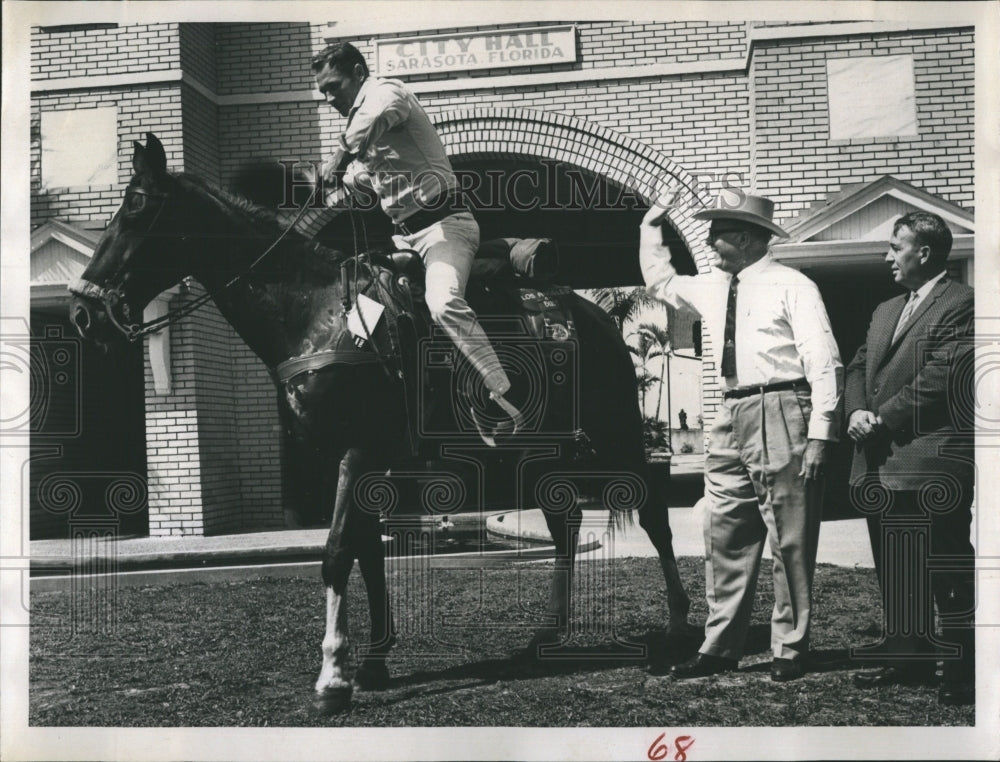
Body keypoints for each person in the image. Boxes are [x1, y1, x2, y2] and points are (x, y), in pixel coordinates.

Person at [640, 191, 843, 681]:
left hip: (782, 405)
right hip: (730, 410)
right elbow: (662, 281)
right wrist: (650, 227)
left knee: (788, 537)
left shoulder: (793, 285)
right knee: (725, 529)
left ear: (749, 238)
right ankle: (719, 646)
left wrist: (820, 434)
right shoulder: (712, 285)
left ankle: (790, 648)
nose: (709, 239)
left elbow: (824, 361)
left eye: (721, 231)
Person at [310, 42, 522, 442]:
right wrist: (336, 185)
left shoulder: (387, 93)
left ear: (358, 72)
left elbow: (375, 118)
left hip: (447, 229)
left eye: (333, 86)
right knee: (359, 311)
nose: (328, 97)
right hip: (404, 239)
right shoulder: (364, 131)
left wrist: (338, 157)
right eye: (322, 91)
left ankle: (501, 396)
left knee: (443, 303)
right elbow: (368, 183)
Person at [845, 211, 975, 706]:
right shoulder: (884, 309)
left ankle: (963, 671)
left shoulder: (963, 302)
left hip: (931, 463)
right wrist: (856, 410)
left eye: (895, 247)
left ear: (923, 252)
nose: (887, 256)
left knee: (947, 571)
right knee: (898, 568)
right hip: (881, 462)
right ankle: (908, 658)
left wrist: (881, 418)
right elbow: (859, 364)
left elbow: (943, 374)